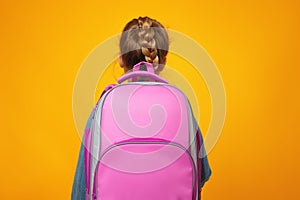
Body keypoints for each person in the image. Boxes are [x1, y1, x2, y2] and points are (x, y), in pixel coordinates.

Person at [71, 16, 211, 200]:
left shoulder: (103, 106)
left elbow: (82, 185)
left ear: (121, 59)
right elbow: (202, 173)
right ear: (163, 60)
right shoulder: (180, 104)